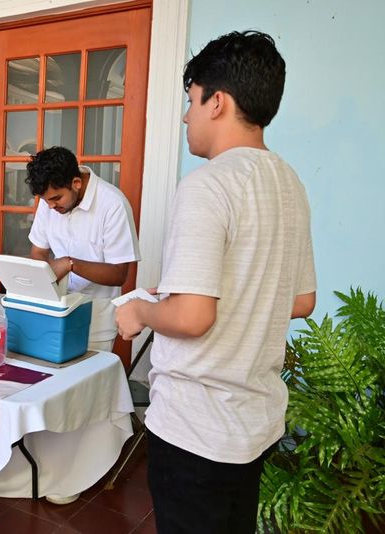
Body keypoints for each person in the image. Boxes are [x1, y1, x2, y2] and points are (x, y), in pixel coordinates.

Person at [115, 31, 316, 533]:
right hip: (253, 423)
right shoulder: (290, 183)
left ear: (217, 101)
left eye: (191, 101)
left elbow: (193, 317)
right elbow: (301, 300)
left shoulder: (207, 185)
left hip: (195, 428)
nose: (186, 116)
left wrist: (140, 312)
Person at [26, 146, 141, 353]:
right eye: (45, 200)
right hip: (53, 313)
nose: (50, 207)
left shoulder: (113, 204)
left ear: (76, 183)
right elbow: (38, 251)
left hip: (95, 323)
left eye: (56, 199)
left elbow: (119, 274)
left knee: (87, 382)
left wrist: (70, 264)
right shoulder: (50, 200)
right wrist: (41, 283)